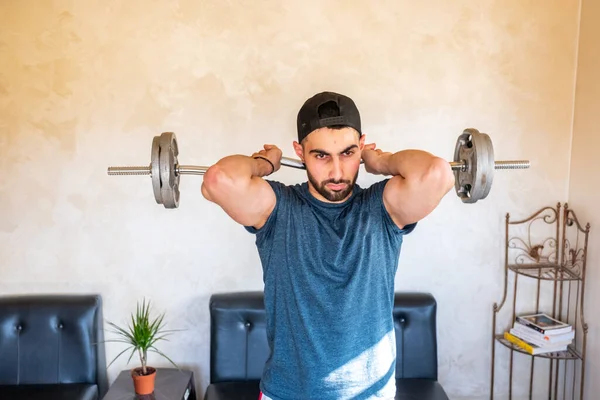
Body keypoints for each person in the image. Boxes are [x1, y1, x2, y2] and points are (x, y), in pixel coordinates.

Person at [201, 91, 455, 400]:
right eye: (321, 155)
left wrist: (381, 161)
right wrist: (265, 162)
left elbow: (437, 173)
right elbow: (219, 180)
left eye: (348, 154)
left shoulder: (382, 208)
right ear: (300, 151)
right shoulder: (278, 209)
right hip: (286, 394)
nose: (336, 172)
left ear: (361, 147)